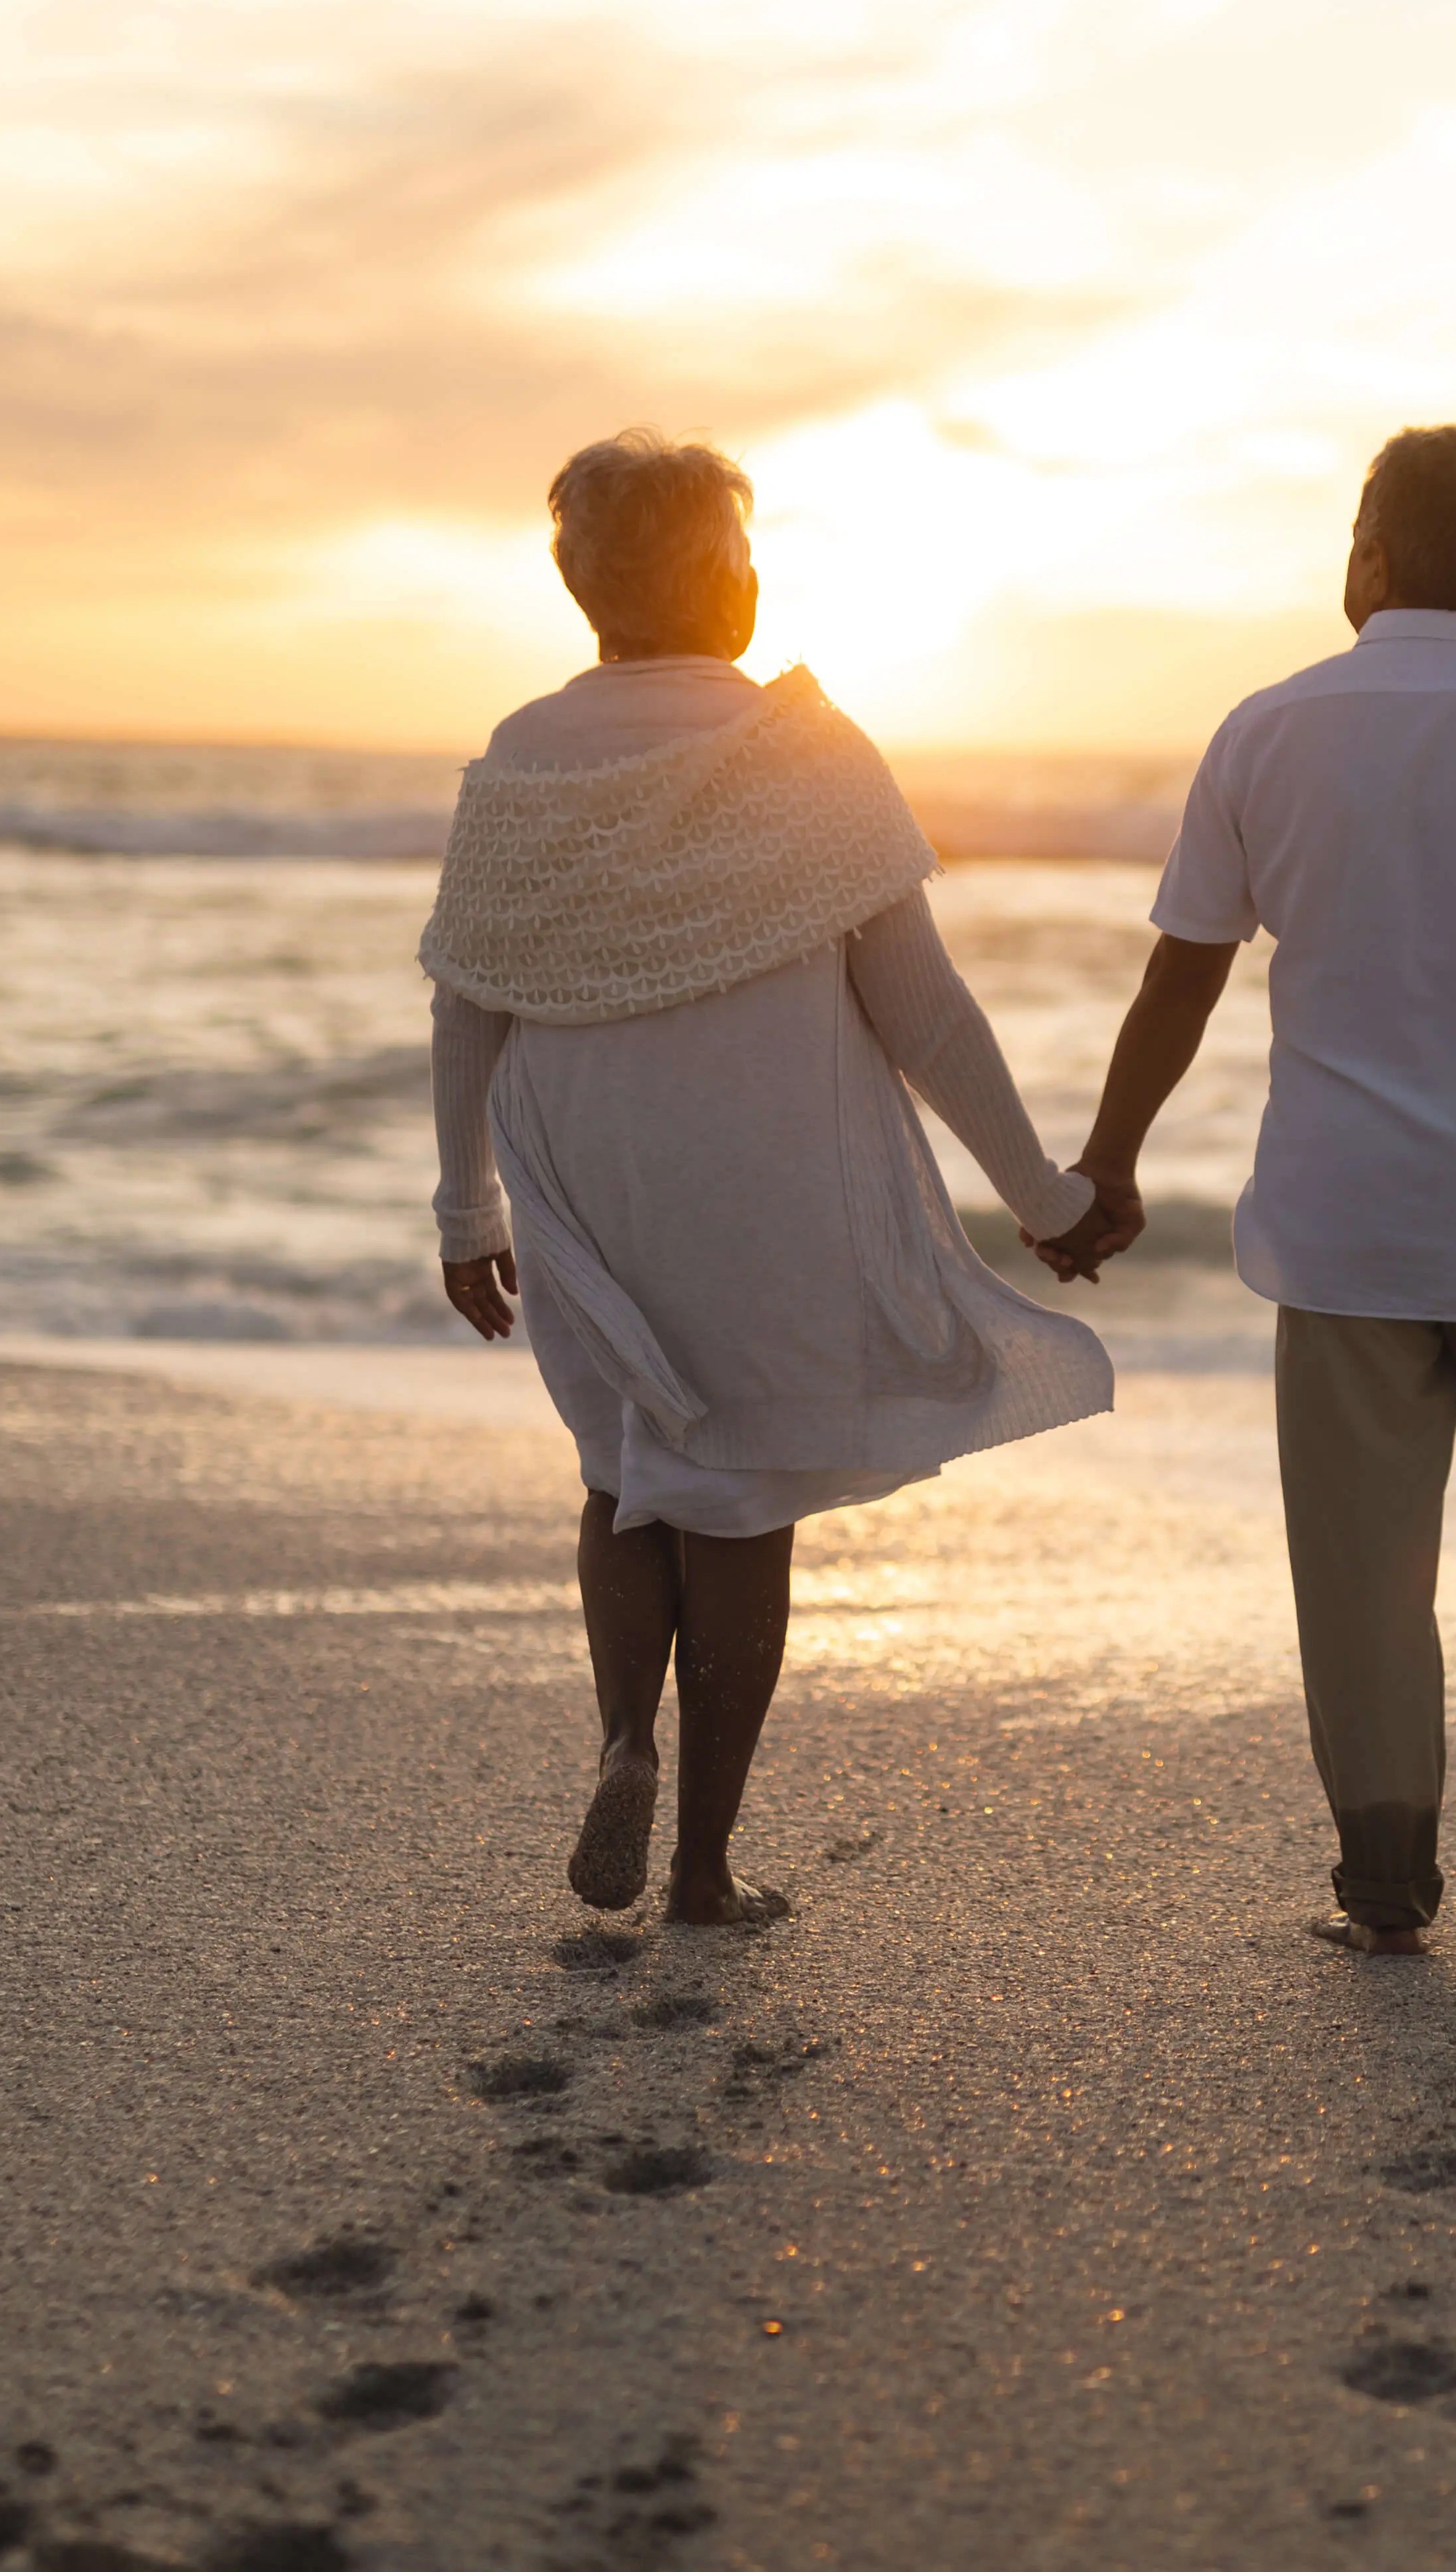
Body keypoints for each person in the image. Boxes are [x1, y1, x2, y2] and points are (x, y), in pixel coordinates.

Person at [426, 430, 1124, 1926]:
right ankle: (702, 1863)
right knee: (740, 1503)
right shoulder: (808, 745)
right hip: (762, 1168)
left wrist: (463, 1204)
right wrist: (1041, 1193)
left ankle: (625, 1737)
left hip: (583, 1160)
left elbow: (467, 995)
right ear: (733, 584)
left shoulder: (527, 748)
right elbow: (922, 1009)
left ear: (578, 584)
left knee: (626, 1472)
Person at [1063, 425, 1456, 1954]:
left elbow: (1181, 975)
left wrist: (1111, 1157)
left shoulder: (1269, 730)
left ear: (1375, 555)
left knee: (1359, 1556)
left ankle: (1385, 1881)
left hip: (1341, 1219)